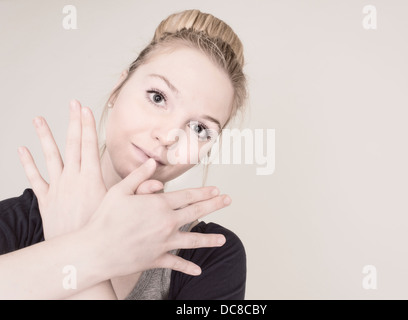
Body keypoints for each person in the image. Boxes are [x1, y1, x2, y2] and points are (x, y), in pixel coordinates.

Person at [0, 9, 247, 299]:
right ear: (118, 89)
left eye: (200, 128)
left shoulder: (211, 257)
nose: (168, 136)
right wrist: (91, 247)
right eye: (158, 97)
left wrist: (81, 243)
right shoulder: (16, 223)